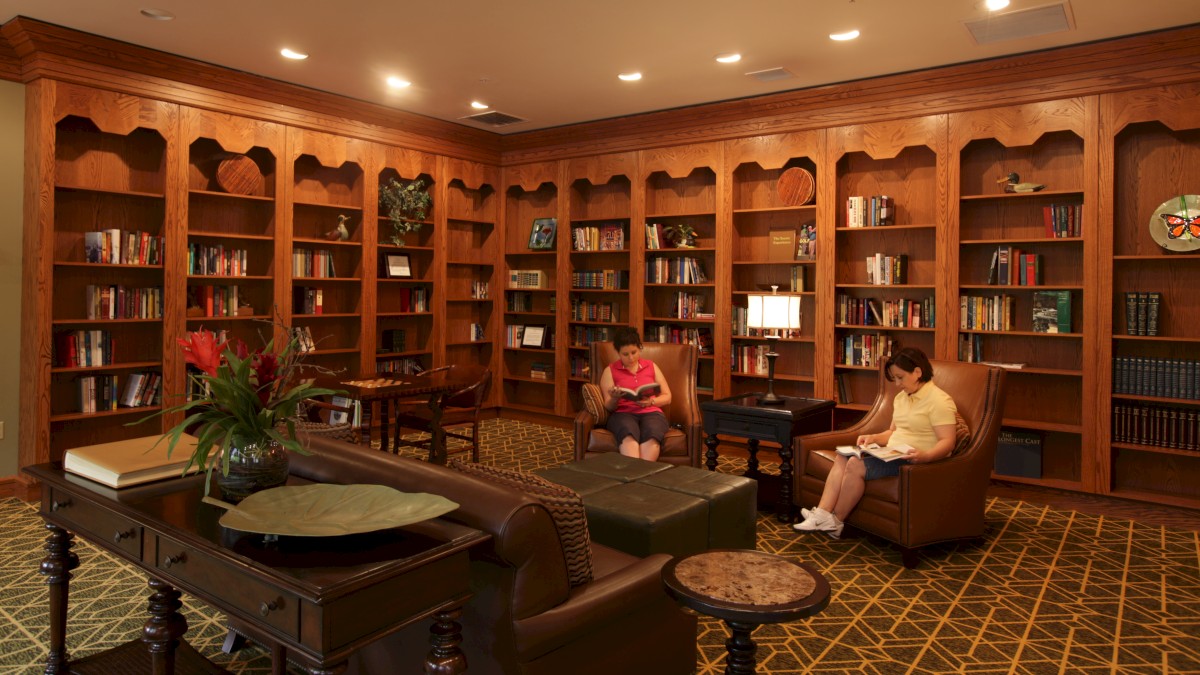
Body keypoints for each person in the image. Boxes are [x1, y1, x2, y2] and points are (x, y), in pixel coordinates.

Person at [794, 347, 958, 539]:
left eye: (900, 377)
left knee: (855, 465)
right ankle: (822, 514)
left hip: (914, 459)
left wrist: (925, 456)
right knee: (843, 456)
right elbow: (893, 432)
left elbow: (948, 442)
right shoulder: (901, 398)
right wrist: (873, 438)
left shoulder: (939, 401)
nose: (897, 384)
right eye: (894, 378)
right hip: (893, 453)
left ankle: (836, 521)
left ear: (917, 372)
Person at [598, 327, 673, 461]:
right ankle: (640, 472)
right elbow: (608, 406)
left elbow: (668, 396)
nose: (631, 358)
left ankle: (636, 472)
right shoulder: (610, 371)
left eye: (634, 352)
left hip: (652, 412)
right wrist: (614, 398)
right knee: (627, 433)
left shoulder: (651, 366)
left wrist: (651, 402)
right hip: (623, 413)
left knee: (653, 432)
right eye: (625, 354)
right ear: (618, 353)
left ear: (640, 348)